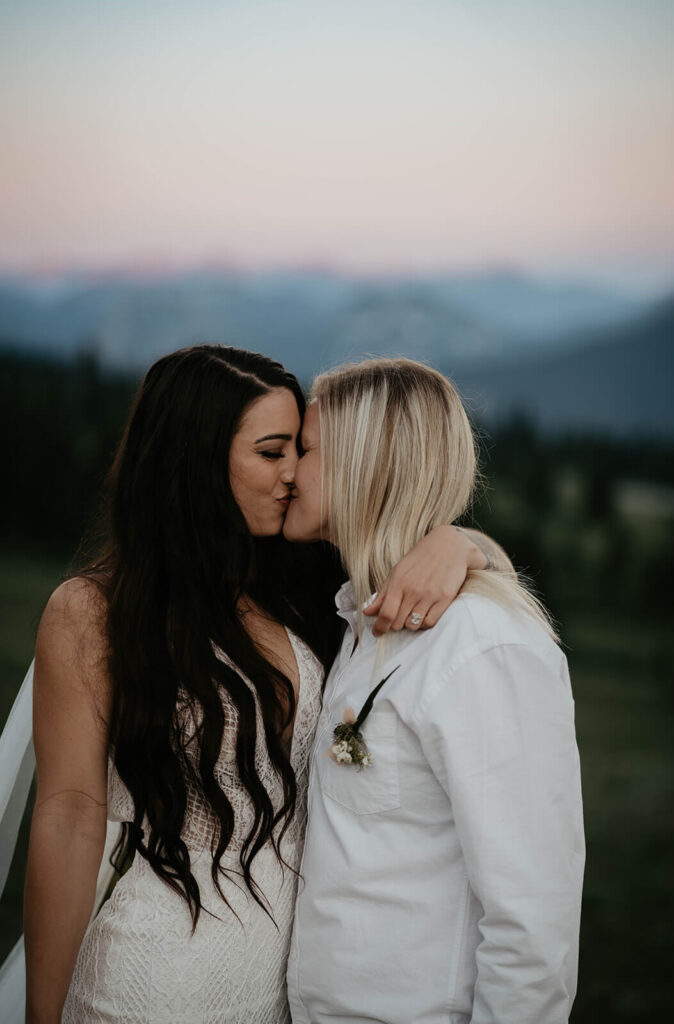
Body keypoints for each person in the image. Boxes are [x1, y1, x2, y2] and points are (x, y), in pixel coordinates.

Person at [9, 345, 502, 1024]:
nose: (295, 474)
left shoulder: (310, 586)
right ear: (196, 458)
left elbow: (401, 540)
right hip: (158, 983)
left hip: (302, 985)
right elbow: (67, 816)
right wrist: (43, 1016)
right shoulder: (94, 613)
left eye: (298, 450)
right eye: (272, 452)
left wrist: (459, 543)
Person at [284, 358, 585, 1024]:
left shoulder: (480, 646)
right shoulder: (357, 621)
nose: (288, 471)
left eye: (306, 450)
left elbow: (532, 925)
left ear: (365, 465)